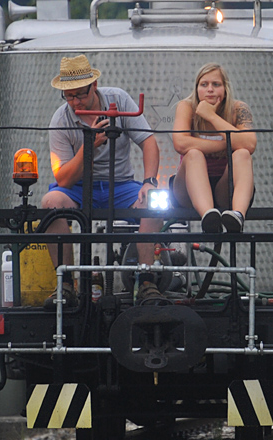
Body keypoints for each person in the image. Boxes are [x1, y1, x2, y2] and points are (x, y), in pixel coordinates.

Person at [41, 54, 164, 304]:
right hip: (77, 187)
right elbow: (62, 178)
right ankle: (65, 283)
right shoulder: (60, 119)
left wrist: (150, 181)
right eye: (69, 96)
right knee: (50, 202)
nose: (75, 102)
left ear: (94, 86)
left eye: (80, 95)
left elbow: (149, 142)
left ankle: (147, 280)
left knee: (155, 201)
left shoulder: (118, 99)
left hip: (121, 185)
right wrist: (89, 148)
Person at [171, 63, 256, 233]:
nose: (210, 89)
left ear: (225, 89)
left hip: (225, 187)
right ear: (196, 89)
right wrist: (226, 145)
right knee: (193, 154)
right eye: (204, 85)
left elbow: (249, 144)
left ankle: (238, 215)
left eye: (216, 84)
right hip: (188, 188)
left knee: (242, 154)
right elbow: (180, 143)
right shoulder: (186, 106)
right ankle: (208, 216)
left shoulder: (238, 108)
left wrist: (211, 115)